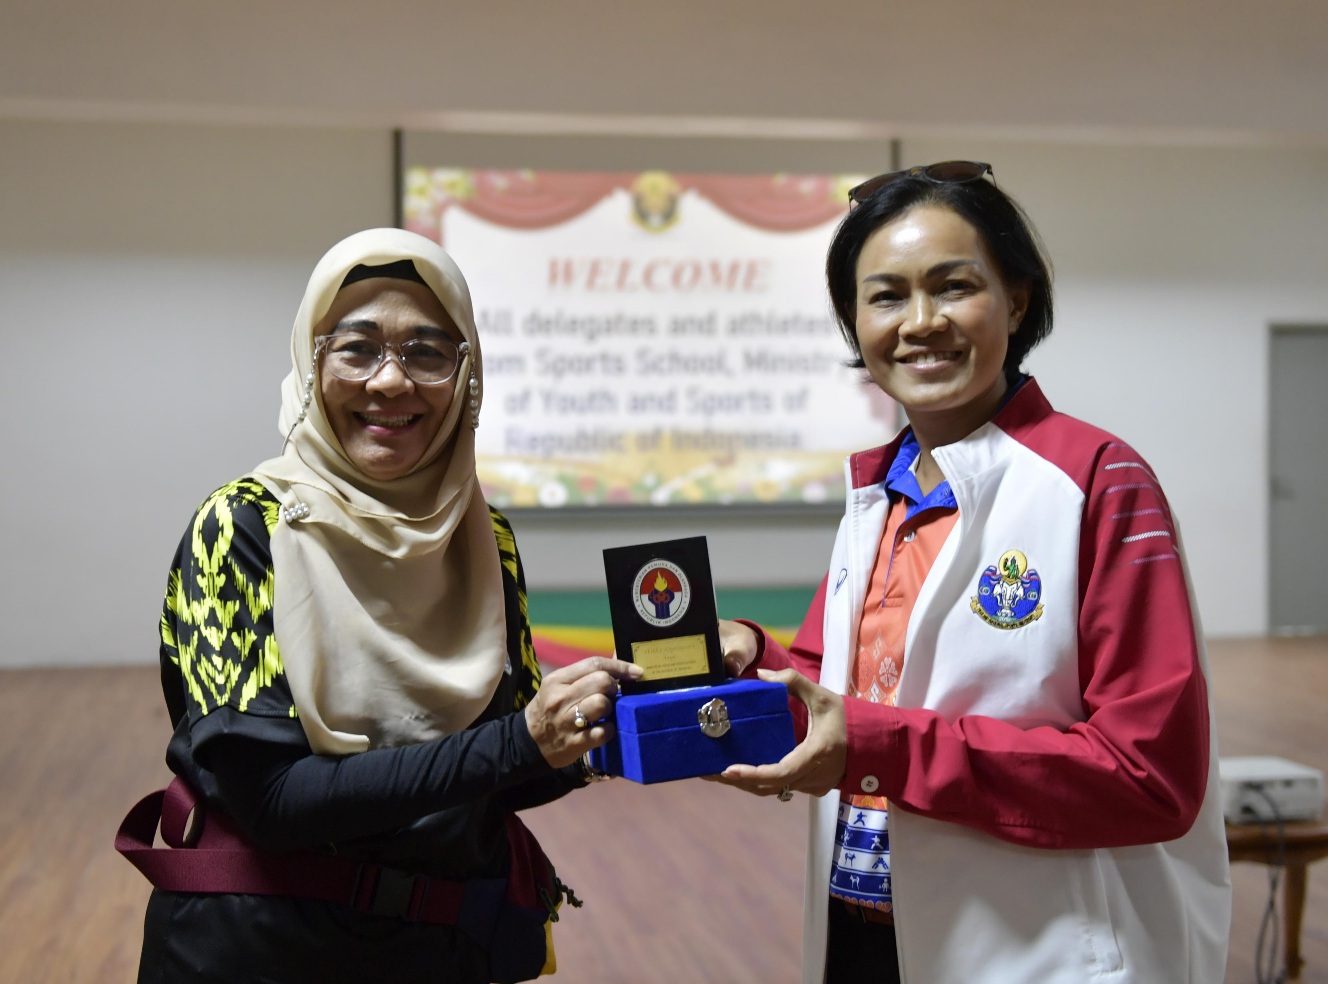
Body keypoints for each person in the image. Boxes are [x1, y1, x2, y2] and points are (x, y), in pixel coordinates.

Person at [714, 162, 1231, 984]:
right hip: (864, 931)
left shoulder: (1098, 479)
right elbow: (834, 693)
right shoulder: (880, 489)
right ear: (854, 322)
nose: (920, 323)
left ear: (1017, 300)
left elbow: (1150, 777)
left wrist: (884, 749)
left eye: (953, 287)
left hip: (1038, 952)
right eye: (885, 296)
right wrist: (748, 663)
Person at [123, 228, 638, 983]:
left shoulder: (482, 536)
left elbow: (509, 770)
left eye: (429, 353)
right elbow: (274, 801)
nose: (392, 383)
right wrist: (521, 742)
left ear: (467, 376)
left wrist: (625, 719)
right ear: (311, 363)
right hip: (261, 947)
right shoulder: (241, 527)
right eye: (357, 348)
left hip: (444, 943)